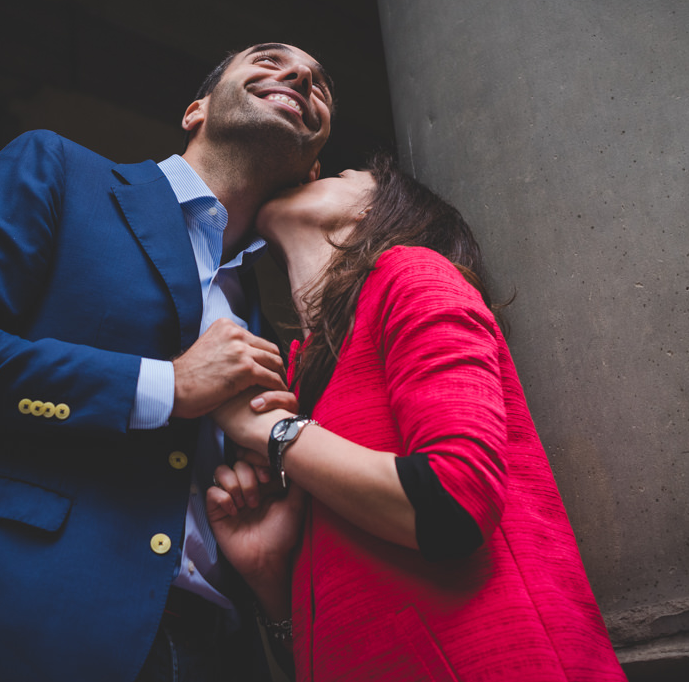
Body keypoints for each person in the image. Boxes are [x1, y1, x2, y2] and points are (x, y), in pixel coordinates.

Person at [0, 43, 334, 682]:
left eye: (319, 84)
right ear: (196, 111)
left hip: (215, 650)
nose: (300, 76)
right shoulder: (57, 169)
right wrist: (164, 386)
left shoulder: (281, 319)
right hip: (23, 621)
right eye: (270, 60)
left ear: (314, 167)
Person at [207, 154, 627, 681]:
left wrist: (272, 432)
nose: (318, 175)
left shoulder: (411, 271)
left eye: (341, 176)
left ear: (371, 212)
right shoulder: (301, 377)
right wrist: (270, 575)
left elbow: (455, 498)